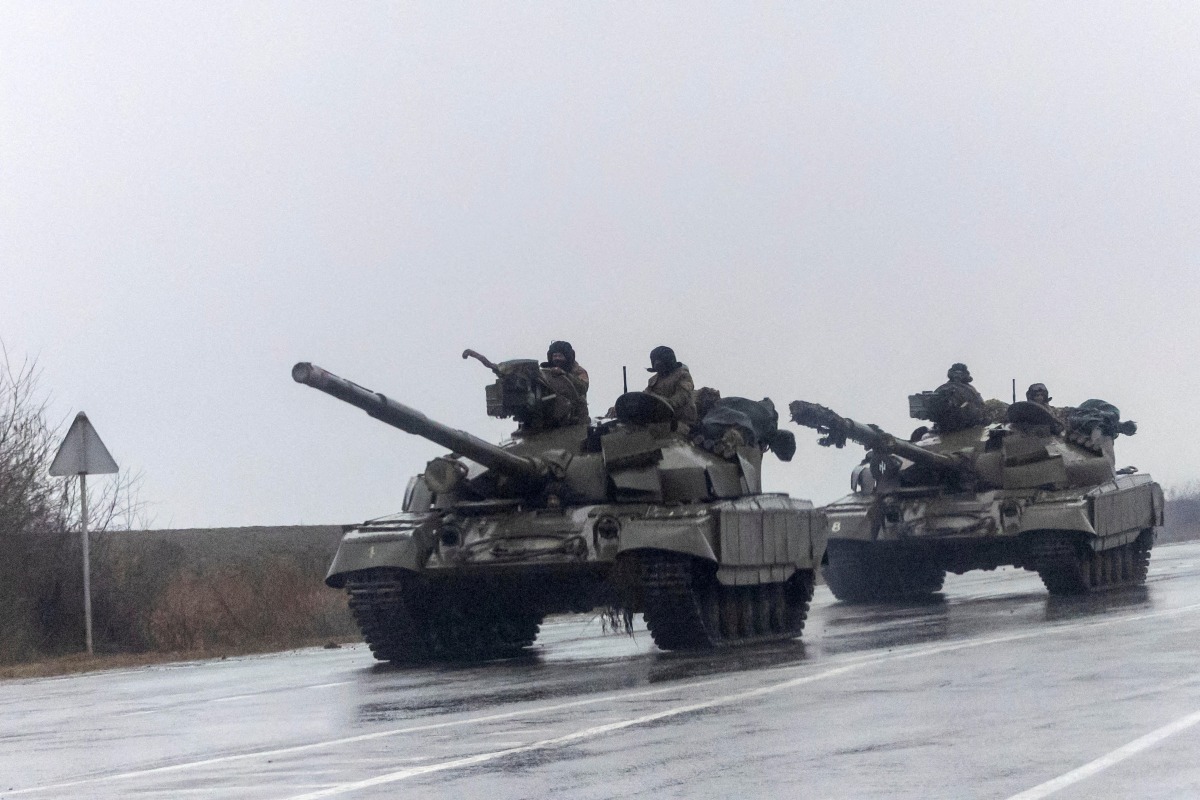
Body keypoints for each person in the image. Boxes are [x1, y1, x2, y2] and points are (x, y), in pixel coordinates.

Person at [644, 346, 697, 428]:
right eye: (655, 361)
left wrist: (663, 403)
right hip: (659, 420)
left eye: (660, 361)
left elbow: (682, 396)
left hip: (681, 421)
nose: (657, 364)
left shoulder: (682, 375)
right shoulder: (653, 380)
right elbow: (645, 395)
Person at [928, 362, 986, 432]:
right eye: (955, 373)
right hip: (945, 427)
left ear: (965, 374)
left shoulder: (971, 390)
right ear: (951, 374)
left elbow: (980, 407)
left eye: (960, 373)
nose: (957, 375)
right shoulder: (944, 389)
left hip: (968, 426)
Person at [540, 340, 589, 423]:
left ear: (567, 357)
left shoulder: (579, 371)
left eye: (560, 356)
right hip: (552, 418)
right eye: (554, 356)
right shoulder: (546, 373)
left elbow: (583, 388)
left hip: (576, 418)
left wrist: (565, 375)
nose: (557, 359)